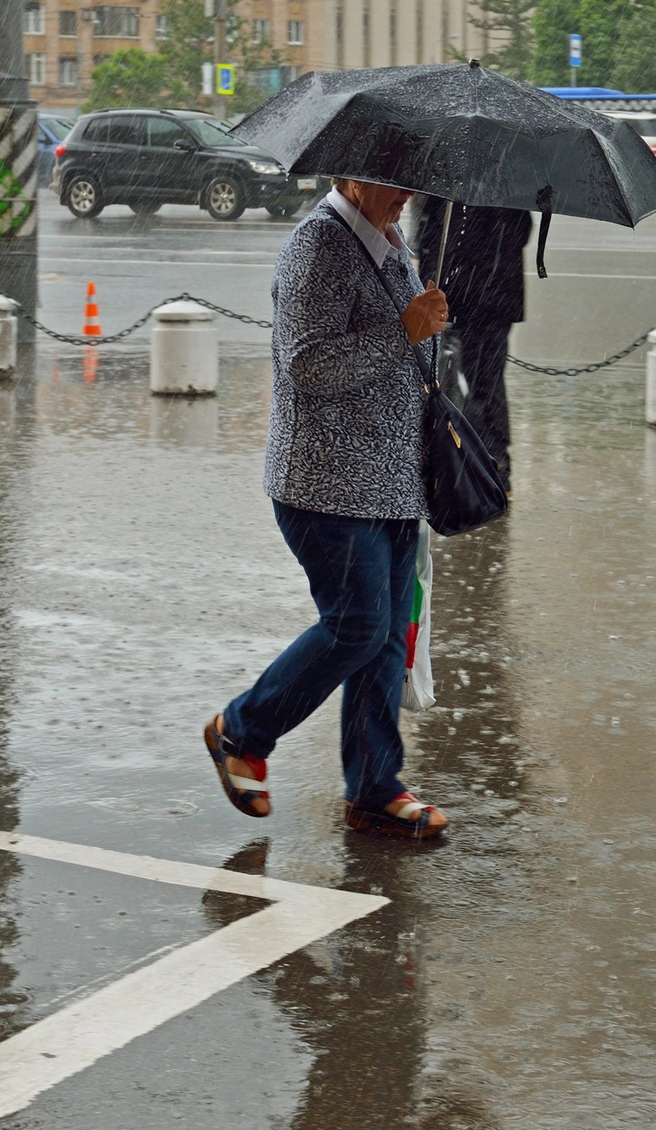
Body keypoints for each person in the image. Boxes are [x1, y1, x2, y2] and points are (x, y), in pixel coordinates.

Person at [206, 178, 454, 839]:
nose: (406, 192)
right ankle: (243, 730)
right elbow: (308, 364)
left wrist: (424, 330)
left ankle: (374, 786)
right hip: (327, 484)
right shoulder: (319, 246)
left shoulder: (391, 244)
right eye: (392, 178)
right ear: (351, 174)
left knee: (382, 644)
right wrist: (405, 330)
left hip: (393, 481)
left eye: (410, 177)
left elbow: (403, 352)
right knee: (357, 628)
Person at [412, 200, 532, 459]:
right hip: (487, 298)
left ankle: (485, 461)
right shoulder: (504, 186)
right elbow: (520, 232)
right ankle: (490, 461)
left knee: (477, 386)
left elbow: (434, 238)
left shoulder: (460, 189)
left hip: (478, 300)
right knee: (481, 384)